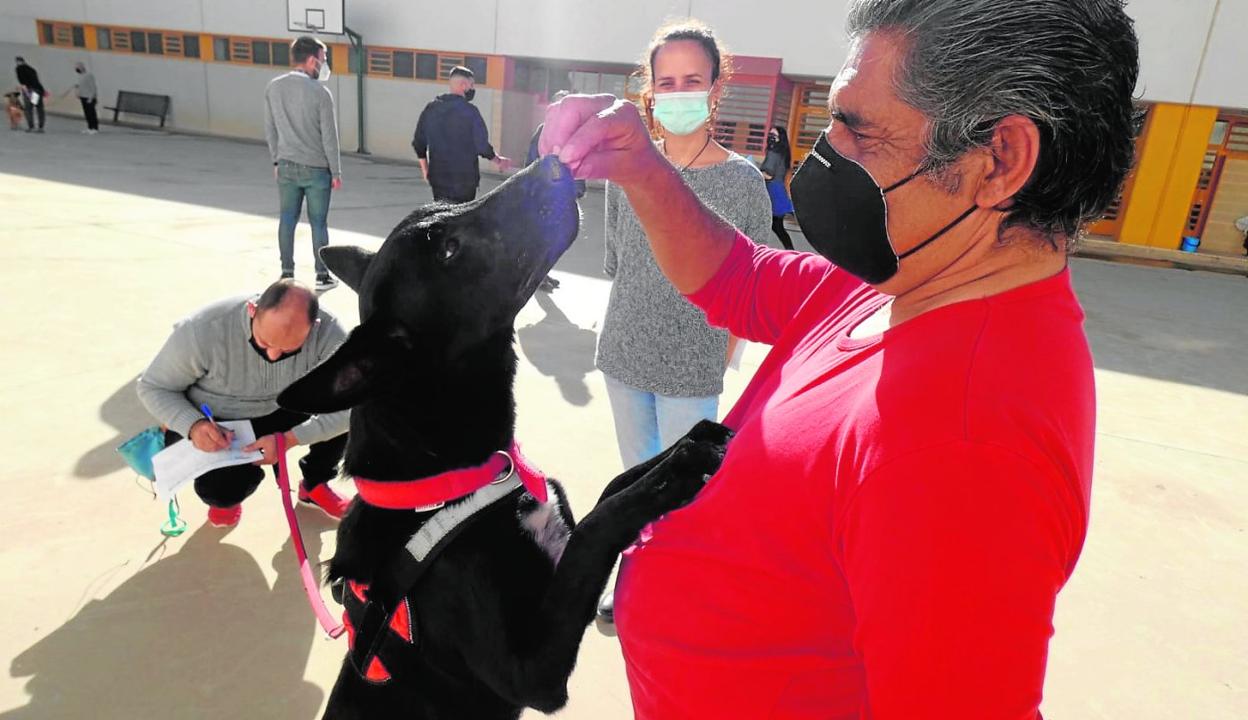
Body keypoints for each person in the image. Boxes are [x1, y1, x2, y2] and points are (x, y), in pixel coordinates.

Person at [540, 0, 1139, 715]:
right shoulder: (909, 277)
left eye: (860, 129)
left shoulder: (965, 443)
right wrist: (640, 164)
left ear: (999, 161)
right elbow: (740, 280)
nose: (826, 153)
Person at [598, 20, 770, 471]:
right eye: (666, 82)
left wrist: (719, 359)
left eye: (692, 81)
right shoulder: (628, 171)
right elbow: (620, 261)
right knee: (633, 486)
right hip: (623, 356)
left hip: (692, 375)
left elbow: (751, 288)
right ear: (651, 91)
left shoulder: (744, 183)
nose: (678, 92)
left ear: (715, 88)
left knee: (683, 499)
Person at [137, 280, 353, 527]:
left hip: (287, 403)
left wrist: (291, 439)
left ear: (313, 327)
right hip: (218, 418)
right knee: (221, 490)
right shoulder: (202, 330)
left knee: (346, 412)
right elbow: (153, 386)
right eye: (265, 342)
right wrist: (193, 425)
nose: (273, 356)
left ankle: (315, 483)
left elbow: (351, 403)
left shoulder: (330, 334)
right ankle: (227, 498)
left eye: (289, 349)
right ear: (252, 310)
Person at [264, 36, 342, 292]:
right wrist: (336, 170)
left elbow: (271, 129)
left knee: (287, 219)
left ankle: (287, 272)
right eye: (323, 59)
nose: (324, 64)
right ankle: (322, 274)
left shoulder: (274, 88)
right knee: (318, 222)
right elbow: (329, 136)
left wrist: (277, 159)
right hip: (317, 168)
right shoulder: (321, 93)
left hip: (286, 165)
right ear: (311, 60)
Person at [412, 66, 511, 203]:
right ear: (463, 85)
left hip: (439, 179)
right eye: (471, 85)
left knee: (442, 217)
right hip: (465, 181)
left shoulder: (431, 109)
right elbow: (481, 145)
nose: (472, 89)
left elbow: (419, 143)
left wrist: (426, 170)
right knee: (462, 220)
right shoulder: (470, 112)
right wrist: (498, 160)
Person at [525, 90, 586, 292]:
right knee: (542, 239)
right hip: (545, 197)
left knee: (555, 241)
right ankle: (535, 277)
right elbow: (531, 165)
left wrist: (577, 189)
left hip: (565, 198)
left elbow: (581, 164)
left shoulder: (578, 133)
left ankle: (543, 274)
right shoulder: (542, 132)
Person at [760, 125, 795, 249]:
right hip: (777, 191)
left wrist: (755, 171)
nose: (771, 138)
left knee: (770, 223)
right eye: (770, 135)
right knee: (776, 225)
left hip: (771, 193)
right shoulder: (783, 152)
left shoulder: (773, 153)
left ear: (780, 138)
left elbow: (768, 175)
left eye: (774, 136)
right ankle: (790, 250)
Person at [14, 57, 46, 133]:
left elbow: (23, 82)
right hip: (38, 90)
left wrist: (27, 94)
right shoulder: (31, 69)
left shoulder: (19, 69)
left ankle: (31, 126)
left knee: (29, 109)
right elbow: (36, 81)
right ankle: (40, 127)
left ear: (18, 62)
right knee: (39, 108)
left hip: (30, 90)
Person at [72, 62, 99, 134]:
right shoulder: (80, 76)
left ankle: (95, 128)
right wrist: (77, 92)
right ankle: (89, 127)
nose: (77, 69)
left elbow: (93, 87)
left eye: (78, 67)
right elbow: (79, 86)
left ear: (82, 67)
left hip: (89, 97)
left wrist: (92, 97)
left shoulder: (89, 75)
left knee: (91, 113)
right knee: (86, 113)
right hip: (83, 97)